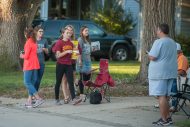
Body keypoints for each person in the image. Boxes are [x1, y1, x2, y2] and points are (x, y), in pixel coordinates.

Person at [148, 23, 177, 126]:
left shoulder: (158, 42)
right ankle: (168, 118)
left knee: (161, 96)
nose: (156, 32)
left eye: (157, 30)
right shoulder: (173, 42)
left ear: (160, 30)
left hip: (159, 73)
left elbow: (153, 57)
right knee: (165, 96)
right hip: (171, 72)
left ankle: (164, 120)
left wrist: (148, 54)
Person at [53, 26, 82, 105]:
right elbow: (57, 56)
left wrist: (78, 58)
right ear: (63, 34)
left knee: (70, 81)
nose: (69, 34)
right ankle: (56, 99)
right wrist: (66, 52)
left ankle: (73, 99)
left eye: (70, 33)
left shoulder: (71, 43)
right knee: (58, 82)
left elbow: (76, 53)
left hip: (69, 64)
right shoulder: (59, 42)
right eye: (67, 33)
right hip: (60, 65)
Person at [20, 27, 44, 108]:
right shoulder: (34, 42)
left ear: (26, 34)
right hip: (35, 64)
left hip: (29, 65)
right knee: (32, 82)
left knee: (27, 82)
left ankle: (38, 98)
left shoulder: (28, 42)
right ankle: (29, 101)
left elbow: (26, 56)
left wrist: (21, 55)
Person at [169, 43, 189, 112]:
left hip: (183, 83)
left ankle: (174, 105)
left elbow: (181, 72)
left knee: (172, 81)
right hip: (179, 80)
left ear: (177, 51)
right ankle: (164, 102)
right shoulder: (176, 58)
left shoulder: (182, 58)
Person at [76, 26, 92, 102]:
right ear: (82, 32)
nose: (87, 32)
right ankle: (81, 94)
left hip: (88, 61)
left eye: (88, 30)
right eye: (85, 30)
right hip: (82, 61)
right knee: (83, 78)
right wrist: (79, 61)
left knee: (87, 77)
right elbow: (78, 51)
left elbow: (89, 50)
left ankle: (76, 82)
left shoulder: (88, 40)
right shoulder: (80, 40)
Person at [34, 25, 49, 92]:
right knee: (35, 79)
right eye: (40, 31)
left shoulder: (44, 40)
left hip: (41, 62)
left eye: (42, 32)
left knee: (39, 79)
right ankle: (33, 94)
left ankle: (35, 92)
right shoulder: (33, 40)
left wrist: (45, 49)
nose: (41, 33)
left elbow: (47, 52)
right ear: (36, 32)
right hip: (34, 63)